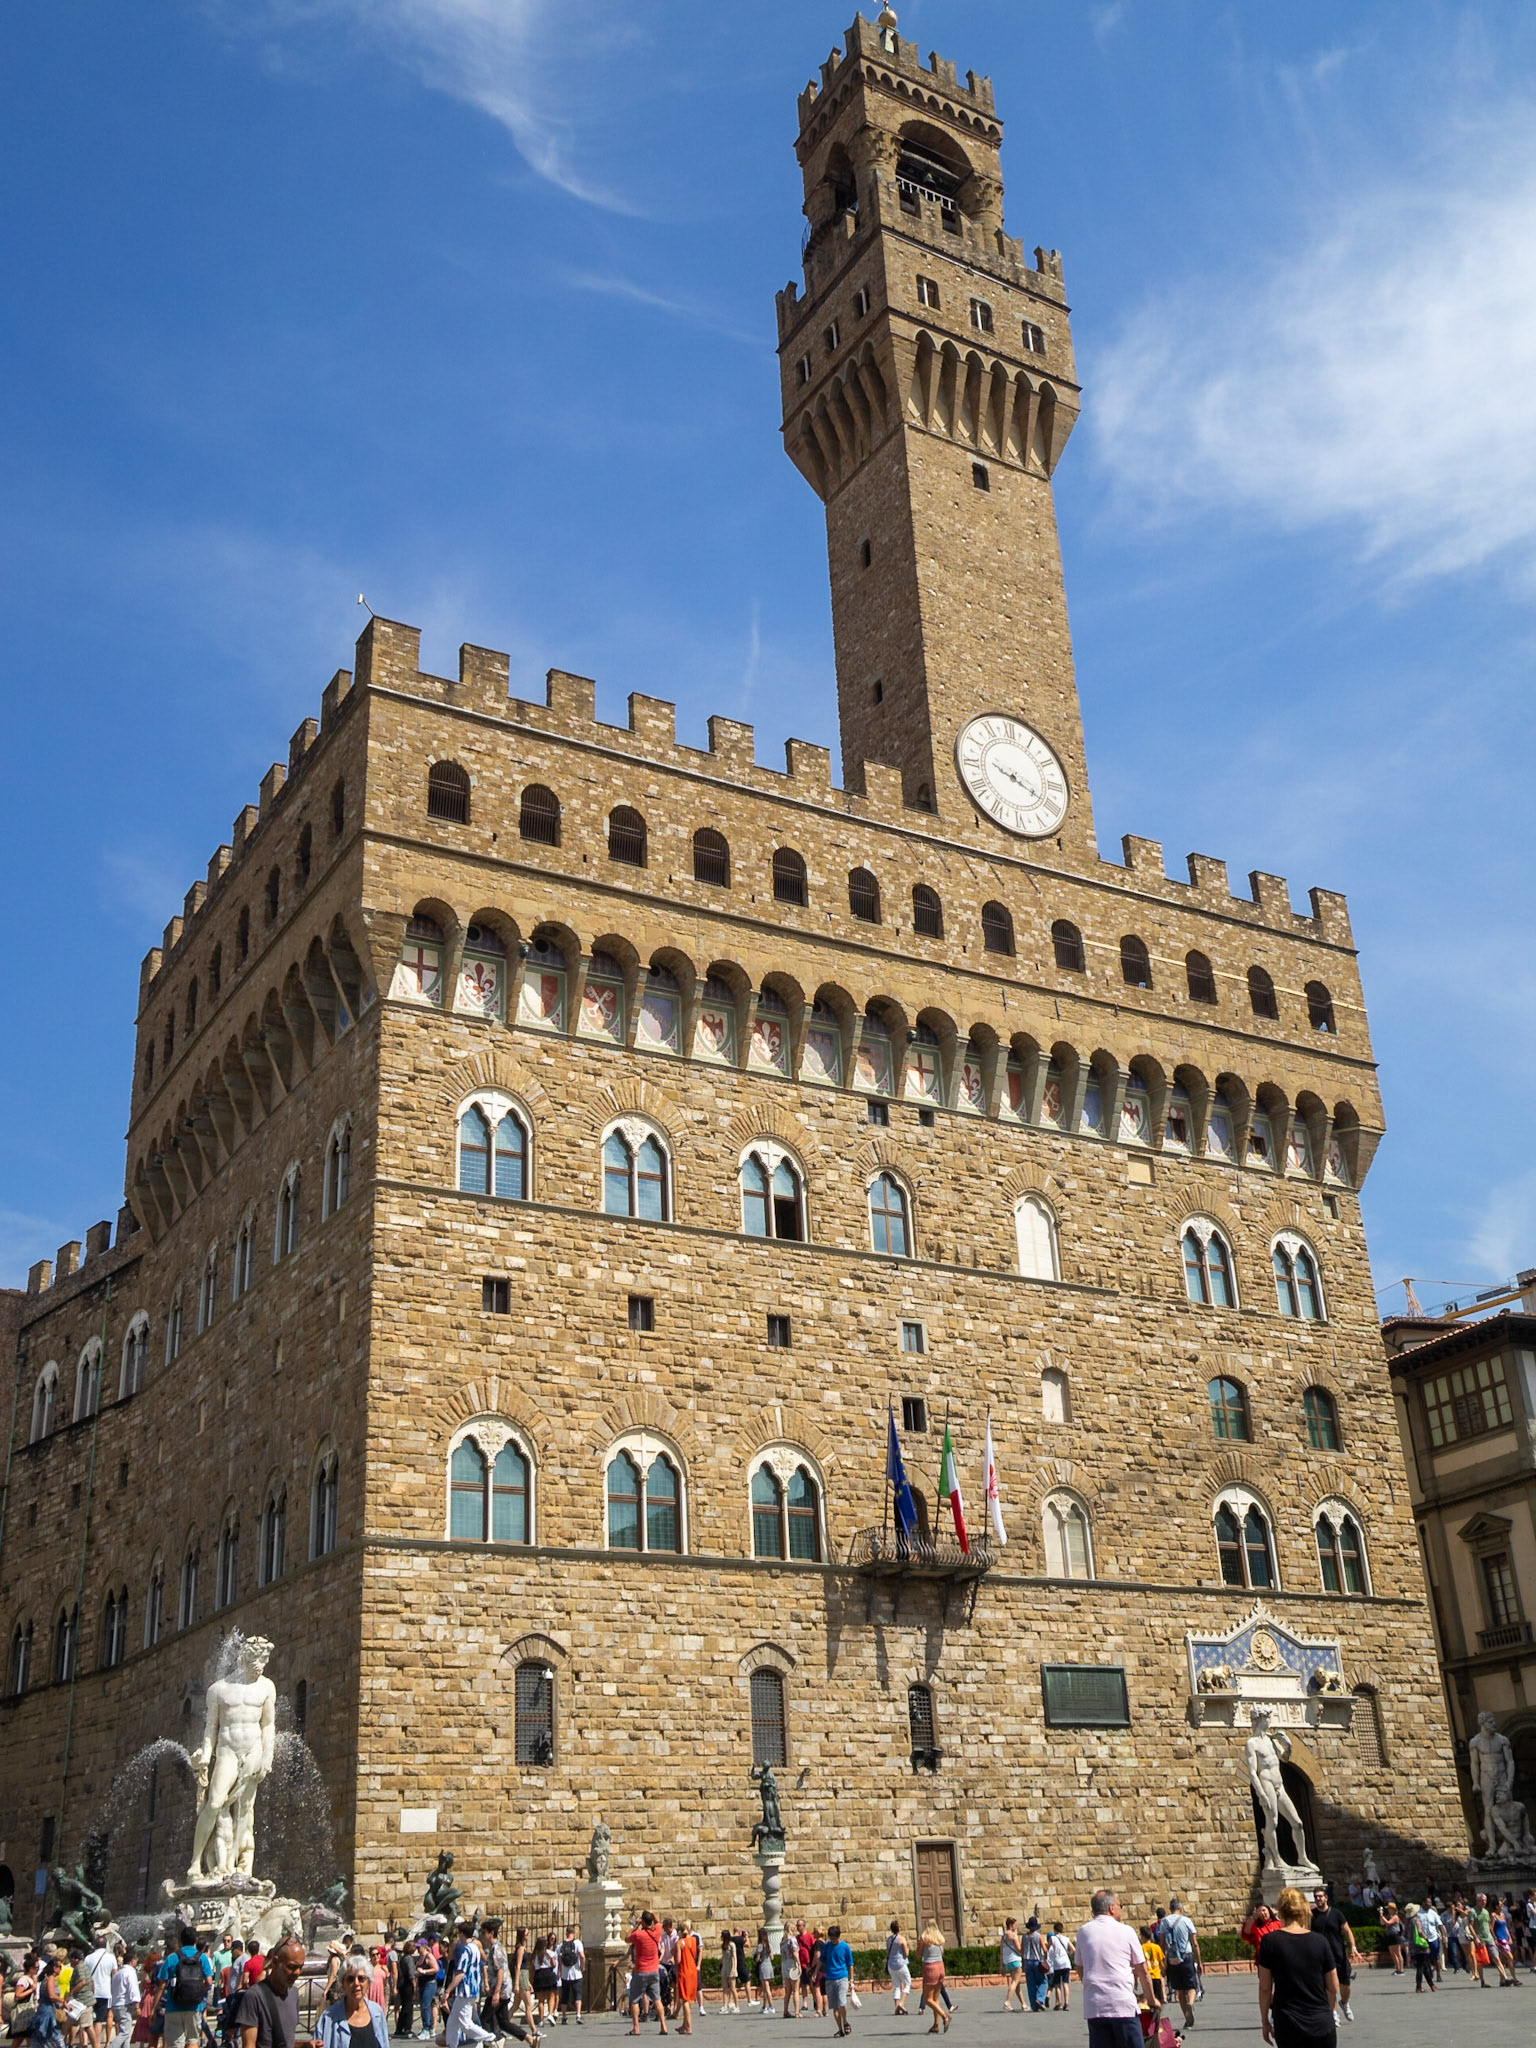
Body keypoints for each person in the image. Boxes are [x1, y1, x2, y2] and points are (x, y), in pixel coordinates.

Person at [1073, 1892, 1157, 2048]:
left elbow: (1080, 1966)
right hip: (1122, 2006)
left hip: (1095, 2007)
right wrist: (1151, 1999)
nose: (1121, 1909)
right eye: (1120, 1906)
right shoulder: (1126, 1931)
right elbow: (1143, 1970)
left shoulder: (1083, 1932)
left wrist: (1092, 1986)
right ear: (1112, 1908)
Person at [1257, 1888, 1336, 2048]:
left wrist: (1265, 2021)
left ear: (1280, 1911)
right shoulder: (1320, 1941)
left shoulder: (1270, 1942)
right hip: (1320, 2020)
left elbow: (1265, 1988)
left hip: (1288, 2021)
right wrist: (1330, 2012)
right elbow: (1333, 1986)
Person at [234, 1937, 304, 2048]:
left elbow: (286, 2042)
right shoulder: (254, 1996)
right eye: (292, 1967)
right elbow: (249, 2045)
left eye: (301, 1967)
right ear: (275, 1962)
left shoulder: (294, 1994)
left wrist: (305, 2045)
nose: (297, 1972)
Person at [316, 1957, 391, 2048]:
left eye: (361, 1978)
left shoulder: (377, 2012)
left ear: (369, 1983)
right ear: (343, 1984)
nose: (356, 1983)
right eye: (350, 1979)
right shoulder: (329, 2017)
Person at [156, 1932, 214, 2048]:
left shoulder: (172, 1958)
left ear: (180, 1940)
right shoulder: (202, 1957)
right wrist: (199, 1991)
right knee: (192, 2041)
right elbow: (209, 1981)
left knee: (175, 2043)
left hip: (173, 2006)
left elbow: (162, 1985)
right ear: (196, 1940)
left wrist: (154, 2008)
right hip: (194, 2006)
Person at [1307, 1891, 1355, 2023]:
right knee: (1330, 1986)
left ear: (1326, 1898)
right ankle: (1333, 2013)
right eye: (1316, 1897)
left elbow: (1347, 1930)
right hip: (1322, 1956)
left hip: (1339, 1954)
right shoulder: (1312, 1916)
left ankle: (1344, 2003)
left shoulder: (1336, 1913)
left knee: (1345, 1984)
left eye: (1320, 1896)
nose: (1318, 1899)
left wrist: (1353, 1947)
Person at [444, 1924, 494, 2048]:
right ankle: (452, 2044)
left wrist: (448, 1990)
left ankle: (491, 2038)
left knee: (465, 2024)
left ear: (462, 1934)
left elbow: (460, 1973)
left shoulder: (467, 1950)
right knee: (452, 2022)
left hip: (465, 1990)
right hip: (472, 1989)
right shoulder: (475, 1948)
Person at [1155, 1902, 1200, 2033]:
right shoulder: (1186, 1920)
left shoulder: (1164, 1922)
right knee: (1191, 1986)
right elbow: (1195, 1943)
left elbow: (1162, 1944)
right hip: (1186, 1955)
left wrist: (1162, 1962)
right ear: (1180, 1908)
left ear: (1170, 1909)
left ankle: (1187, 2016)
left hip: (1172, 1957)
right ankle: (1191, 2004)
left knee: (1179, 1990)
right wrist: (1200, 1962)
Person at [627, 1915, 666, 2038]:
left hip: (641, 1971)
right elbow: (658, 1921)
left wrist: (636, 1925)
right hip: (654, 1970)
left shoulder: (639, 1935)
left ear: (643, 1922)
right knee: (657, 1999)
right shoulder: (657, 1932)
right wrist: (651, 1914)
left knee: (634, 2000)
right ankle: (663, 2026)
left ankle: (636, 2028)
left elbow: (627, 1937)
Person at [81, 1937, 115, 2048]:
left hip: (89, 1992)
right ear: (106, 1945)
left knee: (86, 2020)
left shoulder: (88, 1958)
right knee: (99, 2021)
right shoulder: (111, 1958)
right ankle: (96, 2045)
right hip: (105, 1992)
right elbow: (115, 1975)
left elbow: (84, 1976)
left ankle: (85, 2044)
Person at [820, 1928, 853, 2041]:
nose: (832, 1941)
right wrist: (815, 1972)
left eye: (834, 1938)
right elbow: (821, 1959)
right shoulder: (827, 1946)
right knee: (834, 2006)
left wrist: (851, 1979)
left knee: (842, 2002)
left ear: (839, 1937)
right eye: (831, 1938)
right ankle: (840, 2029)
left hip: (842, 1977)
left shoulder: (845, 1947)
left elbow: (850, 1964)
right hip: (830, 1979)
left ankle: (845, 2022)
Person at [917, 1927, 947, 2035]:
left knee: (927, 1998)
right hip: (941, 1967)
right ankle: (936, 2025)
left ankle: (945, 2016)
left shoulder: (925, 1939)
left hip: (931, 1968)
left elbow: (918, 1954)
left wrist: (919, 1945)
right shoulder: (939, 1939)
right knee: (936, 1998)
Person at [108, 1945, 140, 2048]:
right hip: (124, 2006)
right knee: (125, 2033)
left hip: (115, 2004)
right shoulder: (130, 1972)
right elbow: (133, 1989)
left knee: (125, 2031)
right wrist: (137, 2006)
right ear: (132, 1960)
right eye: (136, 1959)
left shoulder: (118, 1973)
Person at [1407, 1902, 1441, 1993]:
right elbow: (1420, 1931)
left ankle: (1432, 1985)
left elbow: (1404, 1934)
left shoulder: (1407, 1921)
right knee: (1421, 1967)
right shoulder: (1416, 1920)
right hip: (1420, 1946)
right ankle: (1418, 1987)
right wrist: (1426, 1938)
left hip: (1412, 1946)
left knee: (1425, 1966)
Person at [556, 1929, 584, 2029]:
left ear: (566, 1934)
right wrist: (583, 1967)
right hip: (577, 1973)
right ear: (574, 1933)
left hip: (565, 1974)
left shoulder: (561, 1945)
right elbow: (582, 1956)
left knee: (565, 1996)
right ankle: (578, 2015)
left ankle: (564, 2016)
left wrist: (559, 1971)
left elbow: (559, 1960)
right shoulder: (578, 1943)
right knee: (578, 1994)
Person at [672, 1929, 697, 2038]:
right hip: (692, 1970)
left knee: (685, 1999)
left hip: (684, 1970)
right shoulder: (693, 1940)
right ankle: (684, 2025)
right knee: (688, 1998)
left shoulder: (679, 1942)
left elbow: (678, 1960)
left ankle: (689, 2027)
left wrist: (674, 1952)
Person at [1044, 1927, 1072, 2014]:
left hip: (1057, 1963)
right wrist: (1067, 1954)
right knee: (1065, 1983)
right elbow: (1073, 1949)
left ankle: (1059, 2003)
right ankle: (1066, 2003)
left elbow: (1047, 1948)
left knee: (1057, 1985)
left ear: (1055, 1930)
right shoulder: (1066, 1938)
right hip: (1066, 1963)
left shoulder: (1053, 1938)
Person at [884, 1925, 910, 2018]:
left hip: (891, 1965)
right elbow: (906, 1953)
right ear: (898, 1929)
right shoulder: (901, 1939)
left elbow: (888, 1952)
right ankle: (901, 2004)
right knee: (908, 1983)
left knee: (896, 1986)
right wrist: (908, 1949)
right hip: (901, 1964)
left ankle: (896, 2007)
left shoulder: (889, 1939)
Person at [1022, 1921, 1048, 2016]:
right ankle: (1040, 1999)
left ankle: (1034, 2005)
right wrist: (1045, 1957)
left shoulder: (1024, 1937)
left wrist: (1023, 1961)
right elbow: (1045, 1950)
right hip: (1037, 1961)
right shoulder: (1039, 1936)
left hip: (1027, 1961)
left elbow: (1022, 1950)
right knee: (1043, 1981)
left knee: (1031, 1984)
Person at [1376, 1903, 1406, 1977]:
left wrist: (1382, 1916)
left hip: (1395, 1935)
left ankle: (1401, 1969)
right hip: (1389, 1935)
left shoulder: (1395, 1917)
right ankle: (1397, 1968)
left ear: (1393, 1909)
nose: (1388, 1910)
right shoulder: (1389, 1916)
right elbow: (1382, 1923)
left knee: (1398, 1953)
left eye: (1389, 1908)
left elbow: (1388, 1923)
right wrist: (1381, 1916)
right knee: (1392, 1953)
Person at [1000, 1921, 1024, 2012]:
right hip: (1015, 1960)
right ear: (1011, 1925)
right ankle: (1007, 2002)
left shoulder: (1003, 1937)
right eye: (1015, 1925)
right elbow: (1019, 1948)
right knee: (1015, 1982)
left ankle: (1023, 2004)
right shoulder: (1013, 1935)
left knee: (1016, 1983)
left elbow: (1001, 1952)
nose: (1016, 1926)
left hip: (1007, 1961)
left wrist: (1001, 1965)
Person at [1137, 1929, 1163, 2010]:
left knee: (1148, 1997)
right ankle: (1156, 2016)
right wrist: (1164, 1971)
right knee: (1158, 1999)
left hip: (1146, 1976)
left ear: (1143, 1936)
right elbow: (1161, 1962)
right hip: (1156, 1976)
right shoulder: (1157, 1947)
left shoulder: (1141, 1948)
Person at [778, 1929, 800, 2021]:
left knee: (788, 1990)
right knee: (796, 1990)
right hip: (792, 1964)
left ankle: (785, 2011)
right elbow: (794, 1952)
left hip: (784, 1964)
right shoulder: (792, 1939)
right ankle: (797, 2012)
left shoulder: (783, 1940)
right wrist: (799, 1963)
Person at [752, 1933, 774, 2019]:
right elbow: (772, 1957)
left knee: (766, 1988)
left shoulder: (760, 1946)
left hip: (763, 1966)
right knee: (765, 1988)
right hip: (769, 1965)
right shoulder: (769, 1945)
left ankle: (771, 2006)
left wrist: (757, 1955)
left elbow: (757, 1959)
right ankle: (765, 2006)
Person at [719, 1933, 738, 2017]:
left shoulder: (732, 1945)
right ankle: (725, 2006)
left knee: (733, 1988)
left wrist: (734, 1968)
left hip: (731, 1968)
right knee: (725, 1988)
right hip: (725, 1968)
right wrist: (720, 1964)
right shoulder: (723, 1945)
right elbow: (723, 1956)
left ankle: (737, 2006)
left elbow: (734, 1957)